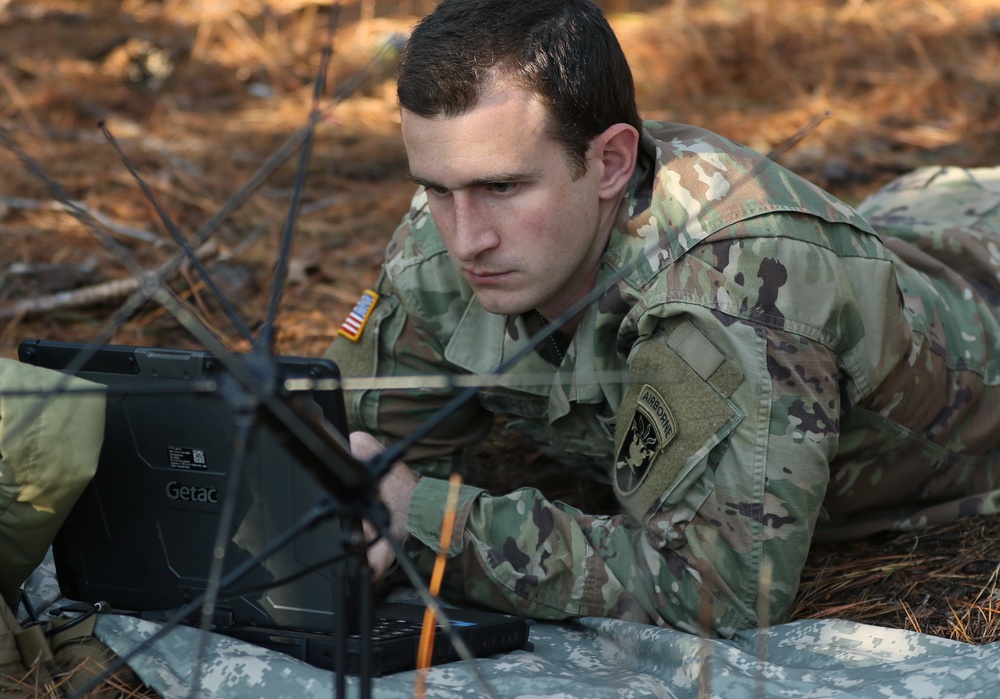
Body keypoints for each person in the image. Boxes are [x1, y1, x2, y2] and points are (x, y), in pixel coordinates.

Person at [325, 0, 1000, 637]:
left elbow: (719, 586)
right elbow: (351, 450)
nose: (466, 239)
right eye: (437, 188)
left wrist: (430, 521)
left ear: (611, 163)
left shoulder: (736, 292)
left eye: (502, 187)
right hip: (905, 228)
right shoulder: (439, 250)